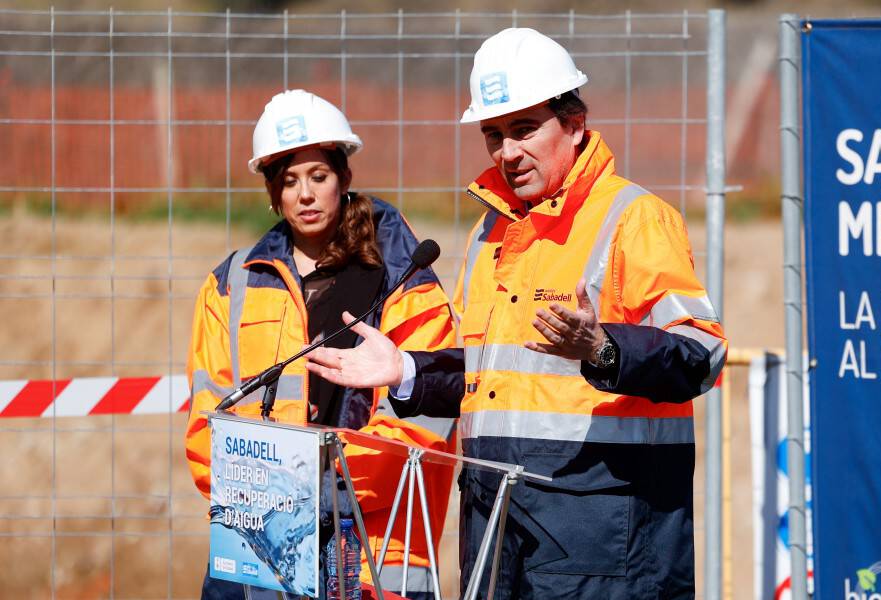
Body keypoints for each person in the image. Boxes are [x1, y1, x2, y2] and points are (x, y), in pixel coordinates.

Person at [306, 29, 727, 599]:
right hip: (497, 536)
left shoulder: (635, 220)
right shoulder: (491, 234)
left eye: (525, 129)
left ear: (575, 124)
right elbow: (496, 382)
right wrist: (406, 371)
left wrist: (602, 348)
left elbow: (701, 356)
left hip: (604, 550)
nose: (507, 152)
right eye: (493, 135)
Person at [184, 89, 456, 599]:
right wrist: (272, 494)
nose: (305, 195)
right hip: (258, 550)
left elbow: (425, 421)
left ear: (344, 179)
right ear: (272, 192)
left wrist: (321, 485)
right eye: (288, 181)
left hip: (373, 556)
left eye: (318, 176)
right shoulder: (231, 285)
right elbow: (207, 427)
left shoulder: (404, 278)